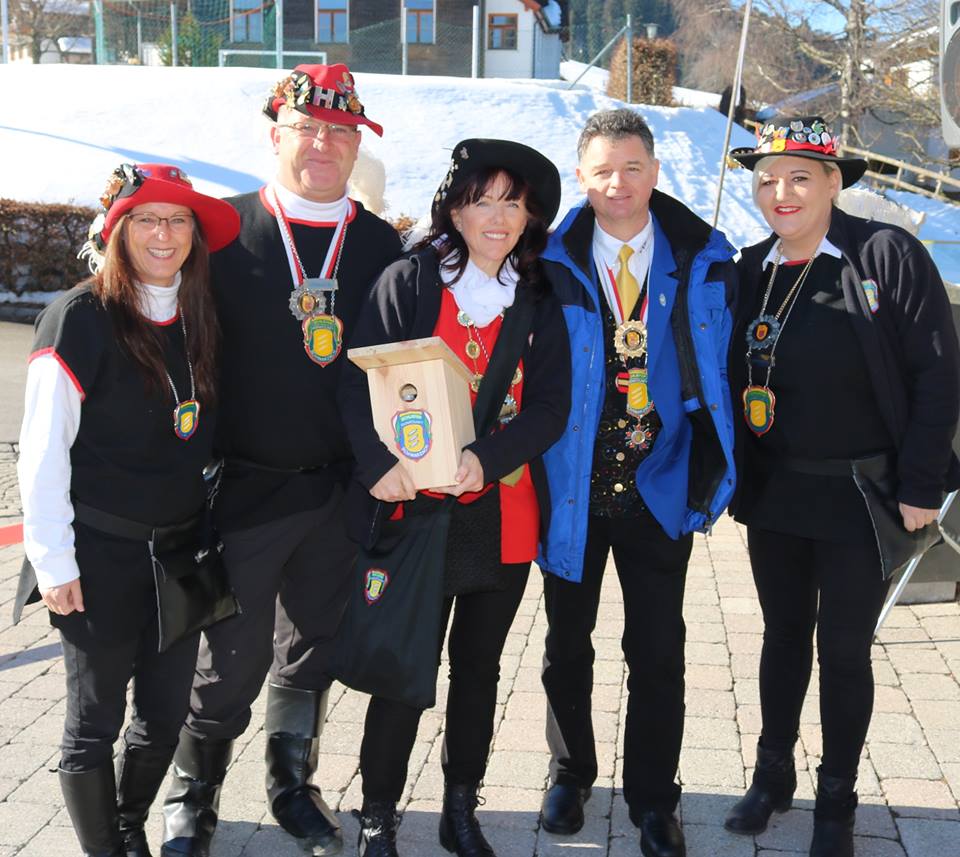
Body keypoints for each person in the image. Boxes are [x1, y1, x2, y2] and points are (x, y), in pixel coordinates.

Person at [160, 64, 402, 857]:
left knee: (312, 648)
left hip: (341, 490)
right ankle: (192, 793)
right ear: (276, 136)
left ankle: (291, 784)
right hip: (243, 489)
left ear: (357, 145)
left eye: (341, 131)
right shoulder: (221, 232)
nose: (323, 144)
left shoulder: (380, 244)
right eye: (307, 128)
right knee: (227, 659)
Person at [724, 116, 960, 857]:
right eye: (767, 179)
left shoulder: (884, 254)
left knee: (845, 648)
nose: (781, 192)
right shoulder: (751, 268)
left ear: (833, 182)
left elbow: (937, 373)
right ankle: (772, 775)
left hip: (862, 495)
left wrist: (923, 483)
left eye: (800, 177)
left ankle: (837, 798)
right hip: (777, 493)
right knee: (781, 636)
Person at [338, 139, 571, 857]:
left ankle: (460, 808)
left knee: (479, 671)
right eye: (481, 200)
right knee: (403, 668)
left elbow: (550, 408)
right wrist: (378, 464)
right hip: (415, 509)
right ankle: (378, 815)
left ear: (530, 216)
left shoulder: (539, 297)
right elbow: (355, 380)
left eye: (512, 203)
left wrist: (485, 459)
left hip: (502, 512)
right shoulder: (409, 282)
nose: (497, 217)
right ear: (455, 211)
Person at [13, 163, 240, 857]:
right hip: (98, 554)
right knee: (94, 722)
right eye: (146, 219)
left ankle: (128, 823)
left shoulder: (202, 313)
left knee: (165, 714)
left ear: (195, 235)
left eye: (178, 220)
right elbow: (42, 452)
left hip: (178, 552)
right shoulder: (79, 318)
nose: (163, 233)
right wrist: (54, 562)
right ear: (117, 231)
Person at [536, 108, 738, 857]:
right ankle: (570, 771)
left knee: (657, 649)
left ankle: (655, 797)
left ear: (655, 170)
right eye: (601, 170)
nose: (616, 183)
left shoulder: (703, 257)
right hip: (571, 486)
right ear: (581, 177)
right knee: (567, 642)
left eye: (631, 167)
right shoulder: (547, 260)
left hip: (660, 480)